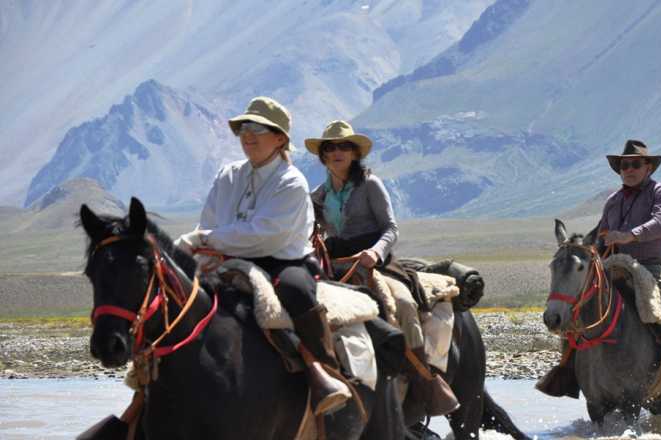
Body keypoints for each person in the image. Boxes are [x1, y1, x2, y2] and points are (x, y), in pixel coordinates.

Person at [174, 97, 348, 416]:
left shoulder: (291, 182)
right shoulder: (227, 175)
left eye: (257, 128)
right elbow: (210, 219)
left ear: (280, 138)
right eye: (242, 128)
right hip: (223, 257)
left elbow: (265, 235)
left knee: (296, 291)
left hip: (282, 261)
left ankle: (324, 372)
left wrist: (203, 239)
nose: (247, 135)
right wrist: (206, 248)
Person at [305, 120, 458, 416]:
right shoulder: (318, 195)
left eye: (344, 147)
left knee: (403, 304)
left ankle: (422, 378)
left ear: (354, 153)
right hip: (336, 265)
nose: (337, 152)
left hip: (375, 261)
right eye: (331, 147)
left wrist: (374, 253)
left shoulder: (370, 184)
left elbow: (391, 227)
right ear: (323, 155)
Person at [538, 140, 661, 398]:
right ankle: (567, 366)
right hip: (613, 265)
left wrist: (630, 236)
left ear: (648, 167)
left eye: (635, 164)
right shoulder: (613, 201)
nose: (629, 169)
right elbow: (603, 234)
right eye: (625, 165)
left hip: (652, 265)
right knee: (578, 304)